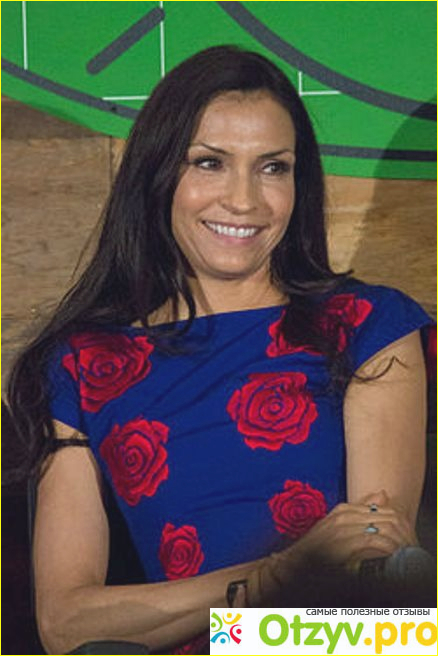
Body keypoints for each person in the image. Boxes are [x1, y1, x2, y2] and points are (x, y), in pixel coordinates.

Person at [6, 45, 433, 655]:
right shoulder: (82, 364)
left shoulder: (367, 325)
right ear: (158, 174)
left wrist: (253, 609)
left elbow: (377, 594)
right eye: (210, 163)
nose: (244, 201)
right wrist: (274, 577)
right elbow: (66, 626)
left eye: (273, 168)